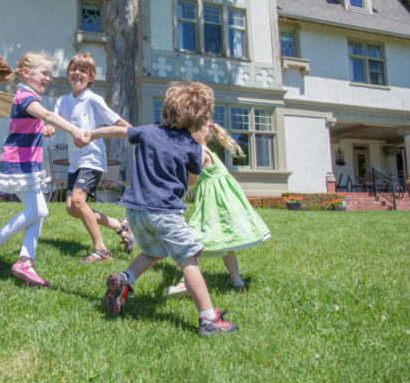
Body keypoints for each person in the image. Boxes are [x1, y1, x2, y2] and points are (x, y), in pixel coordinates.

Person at [84, 81, 237, 336]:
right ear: (200, 119)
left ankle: (125, 279)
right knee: (190, 258)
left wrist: (90, 134)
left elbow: (116, 130)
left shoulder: (148, 132)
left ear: (168, 109)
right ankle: (209, 318)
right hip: (165, 212)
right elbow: (192, 181)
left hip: (135, 212)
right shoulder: (192, 146)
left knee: (154, 251)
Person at [0, 49, 85, 287]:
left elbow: (31, 124)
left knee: (40, 211)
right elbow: (46, 114)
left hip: (27, 164)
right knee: (36, 211)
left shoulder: (28, 97)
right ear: (26, 73)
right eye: (44, 73)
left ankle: (25, 261)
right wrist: (74, 130)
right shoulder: (26, 97)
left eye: (50, 74)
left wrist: (42, 130)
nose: (48, 78)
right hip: (18, 165)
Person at [43, 52, 135, 264]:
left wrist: (136, 132)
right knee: (72, 209)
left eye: (83, 71)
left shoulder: (93, 99)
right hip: (74, 161)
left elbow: (115, 119)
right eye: (74, 69)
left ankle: (101, 250)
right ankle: (119, 225)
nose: (77, 73)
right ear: (68, 74)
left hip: (92, 158)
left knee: (78, 200)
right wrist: (48, 129)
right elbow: (54, 123)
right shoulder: (63, 101)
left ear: (91, 77)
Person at [163, 122, 271, 298]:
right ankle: (237, 280)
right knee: (226, 241)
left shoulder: (199, 152)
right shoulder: (209, 150)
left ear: (192, 137)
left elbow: (193, 181)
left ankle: (185, 283)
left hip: (213, 202)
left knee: (194, 239)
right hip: (223, 201)